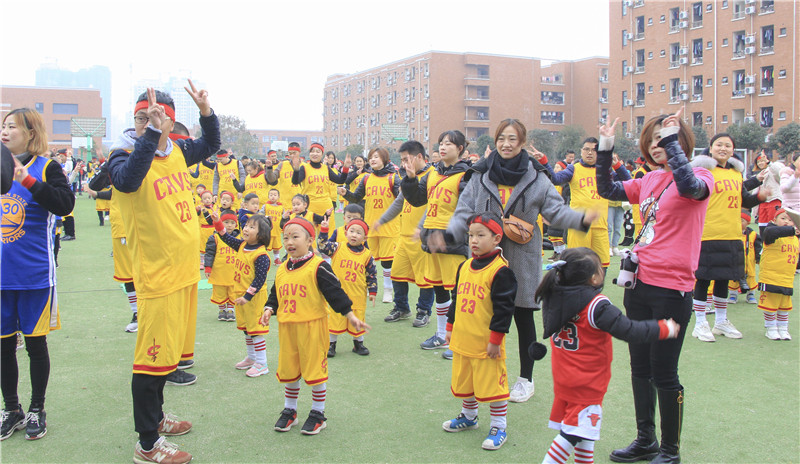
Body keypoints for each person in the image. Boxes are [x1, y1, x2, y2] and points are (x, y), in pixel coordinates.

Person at [441, 119, 597, 403]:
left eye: (512, 139)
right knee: (480, 315)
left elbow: (556, 211)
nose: (506, 144)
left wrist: (580, 219)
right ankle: (478, 374)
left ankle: (526, 379)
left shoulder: (537, 178)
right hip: (483, 261)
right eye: (502, 138)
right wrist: (447, 235)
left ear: (522, 143)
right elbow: (463, 210)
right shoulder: (480, 175)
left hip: (521, 258)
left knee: (523, 315)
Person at [107, 82, 219, 463]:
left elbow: (210, 144)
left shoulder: (177, 150)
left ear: (172, 123)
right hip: (156, 277)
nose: (149, 123)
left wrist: (205, 112)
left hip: (185, 273)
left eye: (158, 118)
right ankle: (147, 444)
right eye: (142, 117)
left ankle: (156, 420)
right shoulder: (122, 156)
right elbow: (126, 181)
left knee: (168, 358)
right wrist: (151, 134)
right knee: (151, 360)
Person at [595, 110, 713, 464]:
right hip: (638, 284)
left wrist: (671, 139)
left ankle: (670, 450)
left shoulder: (699, 175)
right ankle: (645, 439)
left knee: (664, 371)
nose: (656, 145)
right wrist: (605, 147)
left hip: (672, 289)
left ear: (678, 140)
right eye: (651, 140)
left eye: (662, 139)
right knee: (639, 368)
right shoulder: (648, 180)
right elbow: (607, 189)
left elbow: (691, 187)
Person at [536, 248, 679, 464]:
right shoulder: (597, 305)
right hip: (586, 383)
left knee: (585, 434)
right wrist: (663, 329)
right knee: (570, 435)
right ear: (594, 277)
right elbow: (629, 330)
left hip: (566, 380)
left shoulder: (556, 294)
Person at [0, 108, 74, 441]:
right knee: (2, 347)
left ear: (31, 133)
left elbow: (64, 204)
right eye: (3, 126)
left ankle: (36, 408)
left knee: (34, 345)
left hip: (34, 277)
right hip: (2, 278)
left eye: (12, 126)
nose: (5, 131)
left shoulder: (47, 167)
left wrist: (27, 180)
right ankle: (11, 409)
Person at [260, 217, 370, 435]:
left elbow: (335, 293)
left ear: (310, 239)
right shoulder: (282, 268)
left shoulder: (318, 267)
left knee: (314, 370)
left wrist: (350, 315)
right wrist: (269, 309)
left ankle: (318, 413)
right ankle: (290, 411)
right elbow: (276, 294)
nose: (289, 241)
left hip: (312, 327)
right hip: (288, 328)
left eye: (295, 237)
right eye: (286, 238)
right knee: (290, 369)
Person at [440, 213, 517, 451]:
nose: (474, 240)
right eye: (471, 235)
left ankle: (499, 426)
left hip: (486, 344)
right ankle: (469, 416)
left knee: (493, 387)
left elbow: (504, 311)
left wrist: (496, 340)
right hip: (463, 339)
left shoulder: (501, 271)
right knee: (466, 381)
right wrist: (450, 327)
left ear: (496, 238)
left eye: (480, 235)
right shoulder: (464, 266)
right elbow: (456, 299)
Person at [400, 130, 473, 357]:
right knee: (439, 289)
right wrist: (411, 179)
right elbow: (418, 199)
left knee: (458, 293)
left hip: (453, 241)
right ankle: (442, 335)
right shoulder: (433, 173)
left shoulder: (467, 175)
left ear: (460, 149)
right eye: (441, 143)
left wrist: (449, 236)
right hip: (433, 240)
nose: (443, 147)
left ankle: (459, 339)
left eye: (449, 144)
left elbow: (467, 211)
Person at [690, 133, 766, 343]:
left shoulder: (736, 173)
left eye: (728, 146)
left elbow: (744, 200)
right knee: (703, 279)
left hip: (732, 234)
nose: (723, 148)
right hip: (707, 233)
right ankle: (700, 323)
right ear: (711, 148)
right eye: (719, 145)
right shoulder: (702, 171)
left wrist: (761, 196)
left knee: (724, 278)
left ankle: (721, 322)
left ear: (733, 150)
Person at [546, 137, 631, 269]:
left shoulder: (605, 171)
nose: (590, 153)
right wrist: (544, 162)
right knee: (577, 265)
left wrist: (618, 165)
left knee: (602, 265)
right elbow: (556, 179)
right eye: (586, 149)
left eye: (593, 150)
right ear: (581, 152)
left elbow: (628, 182)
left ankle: (597, 290)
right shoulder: (573, 169)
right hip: (580, 226)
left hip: (600, 225)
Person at [376, 141, 435, 327]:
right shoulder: (407, 177)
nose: (403, 164)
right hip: (404, 235)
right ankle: (401, 308)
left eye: (406, 159)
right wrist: (382, 220)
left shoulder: (432, 176)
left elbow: (433, 204)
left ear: (419, 157)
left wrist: (421, 227)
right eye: (401, 160)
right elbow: (399, 202)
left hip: (422, 237)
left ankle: (423, 311)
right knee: (397, 273)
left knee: (426, 278)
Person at [212, 212, 272, 376]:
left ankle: (262, 363)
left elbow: (259, 280)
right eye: (246, 225)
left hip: (254, 298)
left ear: (261, 234)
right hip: (241, 296)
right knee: (246, 329)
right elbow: (225, 237)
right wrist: (218, 222)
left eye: (252, 227)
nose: (246, 229)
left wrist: (247, 296)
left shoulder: (261, 255)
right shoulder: (241, 245)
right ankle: (252, 358)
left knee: (256, 330)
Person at [340, 147, 401, 303]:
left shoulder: (393, 178)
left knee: (388, 261)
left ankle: (388, 290)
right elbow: (356, 197)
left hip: (390, 226)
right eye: (371, 157)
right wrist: (345, 193)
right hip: (370, 226)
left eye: (376, 157)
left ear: (385, 159)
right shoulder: (366, 178)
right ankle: (370, 287)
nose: (373, 160)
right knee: (368, 259)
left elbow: (401, 200)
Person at [317, 217, 377, 356]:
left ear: (365, 237)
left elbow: (372, 274)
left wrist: (372, 291)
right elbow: (322, 246)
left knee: (358, 318)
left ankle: (358, 344)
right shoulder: (338, 247)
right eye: (351, 231)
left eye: (358, 232)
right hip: (338, 293)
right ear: (346, 232)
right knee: (334, 319)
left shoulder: (367, 255)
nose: (354, 235)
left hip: (358, 294)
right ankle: (331, 345)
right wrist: (324, 230)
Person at [758, 206, 799, 340]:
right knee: (770, 305)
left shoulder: (794, 238)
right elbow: (769, 233)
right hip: (771, 277)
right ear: (774, 220)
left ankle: (783, 328)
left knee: (784, 306)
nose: (787, 222)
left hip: (786, 279)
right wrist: (792, 229)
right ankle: (771, 327)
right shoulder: (771, 233)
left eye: (790, 220)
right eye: (783, 219)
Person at [290, 142, 349, 233]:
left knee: (328, 235)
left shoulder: (326, 168)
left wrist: (345, 168)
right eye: (312, 151)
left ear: (322, 154)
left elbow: (340, 180)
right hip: (310, 206)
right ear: (309, 154)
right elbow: (295, 181)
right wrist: (296, 169)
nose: (315, 154)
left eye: (318, 151)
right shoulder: (304, 168)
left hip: (326, 205)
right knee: (309, 236)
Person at [205, 212, 239, 322]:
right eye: (226, 222)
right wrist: (208, 268)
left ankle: (230, 310)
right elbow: (209, 253)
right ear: (221, 223)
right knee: (219, 293)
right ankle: (222, 310)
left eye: (232, 223)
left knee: (233, 292)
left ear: (236, 225)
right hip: (219, 272)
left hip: (233, 272)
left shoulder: (239, 238)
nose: (229, 225)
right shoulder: (214, 237)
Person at [728, 211, 761, 305]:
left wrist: (758, 258)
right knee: (733, 280)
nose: (739, 223)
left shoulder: (753, 235)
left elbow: (758, 247)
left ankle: (751, 295)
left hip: (748, 263)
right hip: (734, 262)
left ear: (748, 223)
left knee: (750, 278)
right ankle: (733, 295)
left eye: (742, 221)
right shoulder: (731, 233)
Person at [262, 188, 285, 264]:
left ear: (278, 197)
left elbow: (284, 217)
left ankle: (276, 259)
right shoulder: (265, 206)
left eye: (275, 195)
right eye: (271, 195)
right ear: (268, 196)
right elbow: (260, 215)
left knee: (277, 246)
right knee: (265, 246)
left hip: (277, 230)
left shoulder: (281, 207)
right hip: (267, 231)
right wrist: (265, 217)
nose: (273, 196)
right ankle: (264, 259)